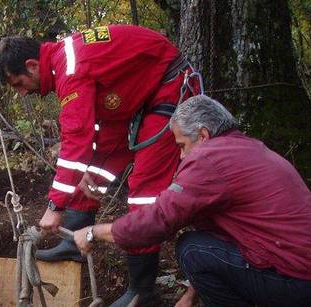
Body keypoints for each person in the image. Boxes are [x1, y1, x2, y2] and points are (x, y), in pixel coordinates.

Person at [0, 25, 201, 306]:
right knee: (96, 164)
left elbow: (76, 138)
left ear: (32, 66)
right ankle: (73, 243)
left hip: (168, 87)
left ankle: (142, 290)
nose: (21, 93)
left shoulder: (70, 68)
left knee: (143, 191)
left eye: (18, 83)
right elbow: (83, 143)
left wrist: (55, 206)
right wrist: (70, 189)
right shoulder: (64, 59)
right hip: (136, 96)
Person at [73, 95, 311, 307]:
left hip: (295, 280)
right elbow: (226, 235)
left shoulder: (210, 158)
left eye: (182, 145)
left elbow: (159, 219)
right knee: (199, 244)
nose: (182, 155)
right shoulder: (247, 148)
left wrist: (94, 232)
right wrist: (190, 296)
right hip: (297, 268)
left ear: (203, 135)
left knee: (192, 249)